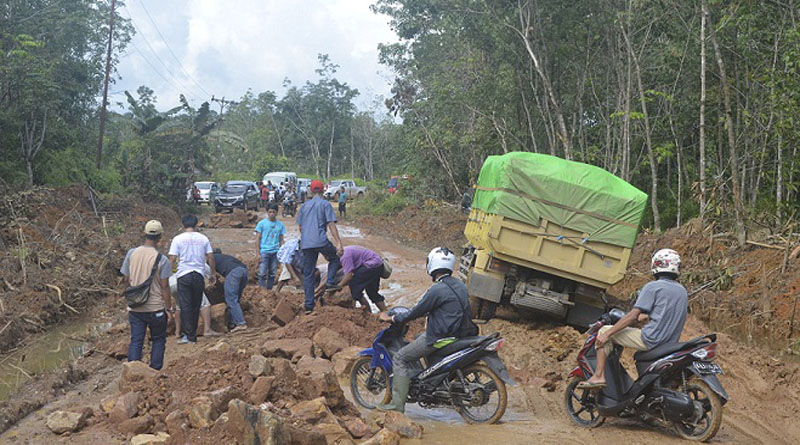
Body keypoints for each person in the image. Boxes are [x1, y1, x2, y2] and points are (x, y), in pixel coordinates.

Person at [375, 247, 477, 413]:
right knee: (418, 336)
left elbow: (416, 312)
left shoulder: (437, 290)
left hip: (440, 337)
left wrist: (393, 318)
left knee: (400, 358)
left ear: (432, 265)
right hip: (460, 334)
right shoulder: (459, 284)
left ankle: (397, 405)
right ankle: (429, 382)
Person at [579, 249, 688, 389]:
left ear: (656, 265)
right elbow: (660, 314)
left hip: (651, 339)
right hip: (669, 344)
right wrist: (643, 320)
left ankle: (599, 376)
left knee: (603, 331)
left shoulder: (652, 287)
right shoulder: (682, 291)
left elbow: (632, 316)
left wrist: (608, 334)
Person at [120, 220, 172, 370]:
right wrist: (169, 310)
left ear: (144, 234)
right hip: (155, 308)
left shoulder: (131, 253)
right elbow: (165, 287)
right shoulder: (162, 260)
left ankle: (132, 373)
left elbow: (125, 279)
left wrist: (129, 298)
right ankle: (154, 373)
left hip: (136, 308)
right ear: (160, 237)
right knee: (158, 340)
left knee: (136, 340)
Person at [296, 180, 344, 313]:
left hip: (306, 243)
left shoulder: (304, 206)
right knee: (335, 259)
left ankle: (309, 305)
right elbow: (331, 224)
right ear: (323, 191)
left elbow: (300, 227)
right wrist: (339, 242)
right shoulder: (325, 204)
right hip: (321, 241)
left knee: (309, 273)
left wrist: (307, 238)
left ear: (311, 192)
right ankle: (330, 282)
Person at [168, 215, 216, 344]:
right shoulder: (203, 238)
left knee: (185, 306)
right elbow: (210, 257)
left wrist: (166, 274)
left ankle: (187, 335)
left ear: (183, 225)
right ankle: (192, 336)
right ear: (196, 225)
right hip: (198, 275)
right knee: (196, 305)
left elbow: (172, 259)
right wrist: (212, 274)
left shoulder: (178, 239)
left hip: (183, 275)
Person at [169, 264, 220, 338]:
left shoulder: (181, 260)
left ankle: (177, 332)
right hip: (186, 282)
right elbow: (211, 278)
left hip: (172, 284)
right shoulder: (200, 260)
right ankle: (207, 330)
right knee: (204, 304)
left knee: (179, 306)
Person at [333, 245, 387, 312]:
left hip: (370, 265)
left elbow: (349, 275)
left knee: (354, 289)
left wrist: (338, 286)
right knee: (372, 292)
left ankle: (368, 313)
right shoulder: (345, 250)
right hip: (378, 264)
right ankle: (385, 312)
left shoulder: (344, 256)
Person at [212, 248, 249, 332]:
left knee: (231, 299)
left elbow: (210, 275)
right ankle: (233, 323)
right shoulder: (225, 257)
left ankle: (241, 323)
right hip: (244, 271)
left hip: (233, 273)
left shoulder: (211, 259)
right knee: (236, 299)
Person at [255, 203, 285, 289]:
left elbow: (281, 239)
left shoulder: (280, 225)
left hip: (275, 251)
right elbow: (257, 239)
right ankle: (261, 290)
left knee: (272, 273)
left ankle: (269, 290)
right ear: (267, 212)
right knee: (261, 273)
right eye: (270, 212)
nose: (271, 214)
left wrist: (282, 253)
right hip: (264, 251)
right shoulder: (262, 224)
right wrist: (258, 253)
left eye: (273, 212)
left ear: (276, 213)